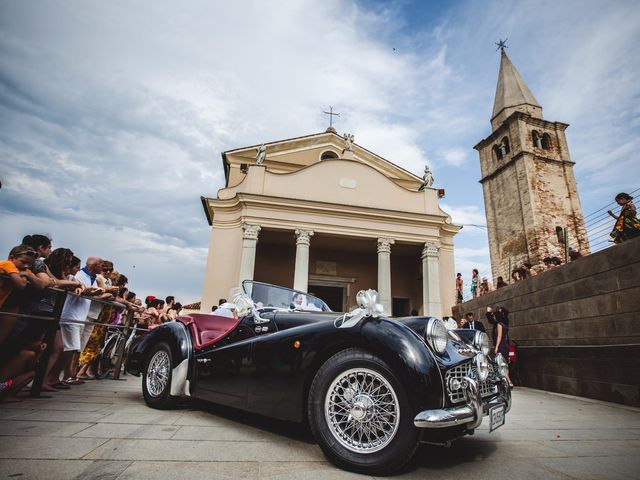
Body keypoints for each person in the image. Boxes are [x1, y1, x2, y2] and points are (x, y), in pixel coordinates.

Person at [486, 306, 512, 387]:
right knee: (505, 364)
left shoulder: (499, 325)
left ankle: (508, 381)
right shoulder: (504, 324)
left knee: (501, 364)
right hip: (506, 345)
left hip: (501, 346)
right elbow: (506, 337)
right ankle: (508, 380)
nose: (493, 318)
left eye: (494, 316)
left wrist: (496, 347)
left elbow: (499, 336)